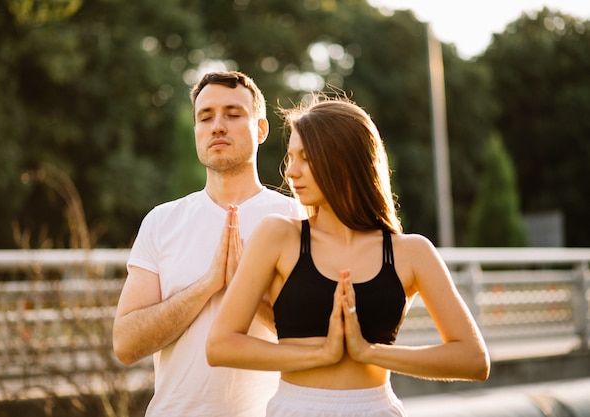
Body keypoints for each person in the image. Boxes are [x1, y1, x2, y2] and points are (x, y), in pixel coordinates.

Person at [206, 96, 491, 417]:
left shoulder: (412, 252)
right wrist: (322, 354)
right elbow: (221, 345)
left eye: (306, 157)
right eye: (291, 157)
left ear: (345, 161)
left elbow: (473, 360)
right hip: (297, 409)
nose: (291, 172)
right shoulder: (278, 236)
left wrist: (368, 351)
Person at [112, 71, 302, 417]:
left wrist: (245, 288)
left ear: (260, 130)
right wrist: (207, 284)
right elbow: (125, 345)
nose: (217, 126)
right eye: (205, 117)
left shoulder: (298, 219)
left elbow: (317, 340)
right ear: (196, 131)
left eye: (233, 114)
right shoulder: (161, 222)